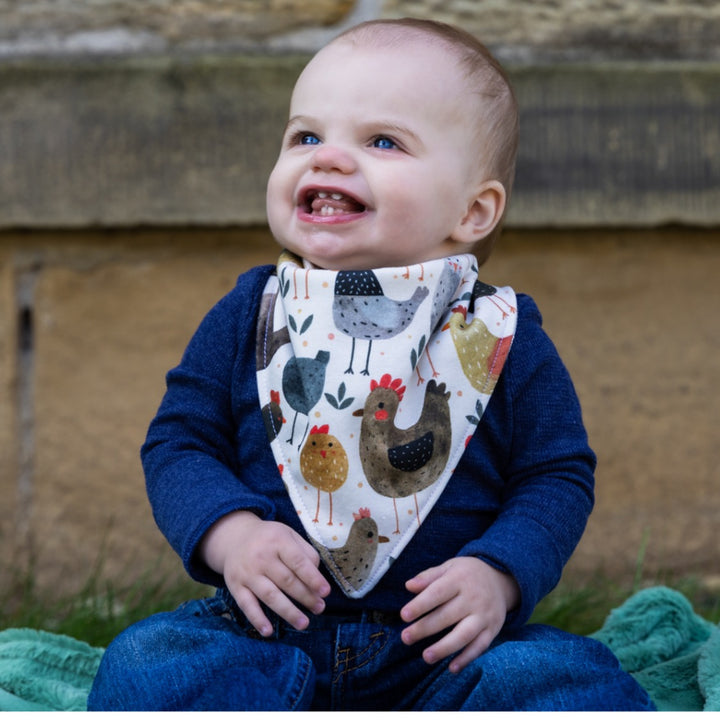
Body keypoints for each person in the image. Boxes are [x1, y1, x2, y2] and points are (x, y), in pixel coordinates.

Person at [88, 18, 654, 711]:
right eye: (305, 136)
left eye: (382, 141)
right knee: (147, 666)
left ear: (473, 211)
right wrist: (230, 536)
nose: (326, 158)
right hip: (266, 636)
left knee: (560, 681)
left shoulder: (500, 336)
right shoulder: (251, 315)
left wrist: (499, 573)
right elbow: (179, 442)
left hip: (442, 650)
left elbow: (555, 474)